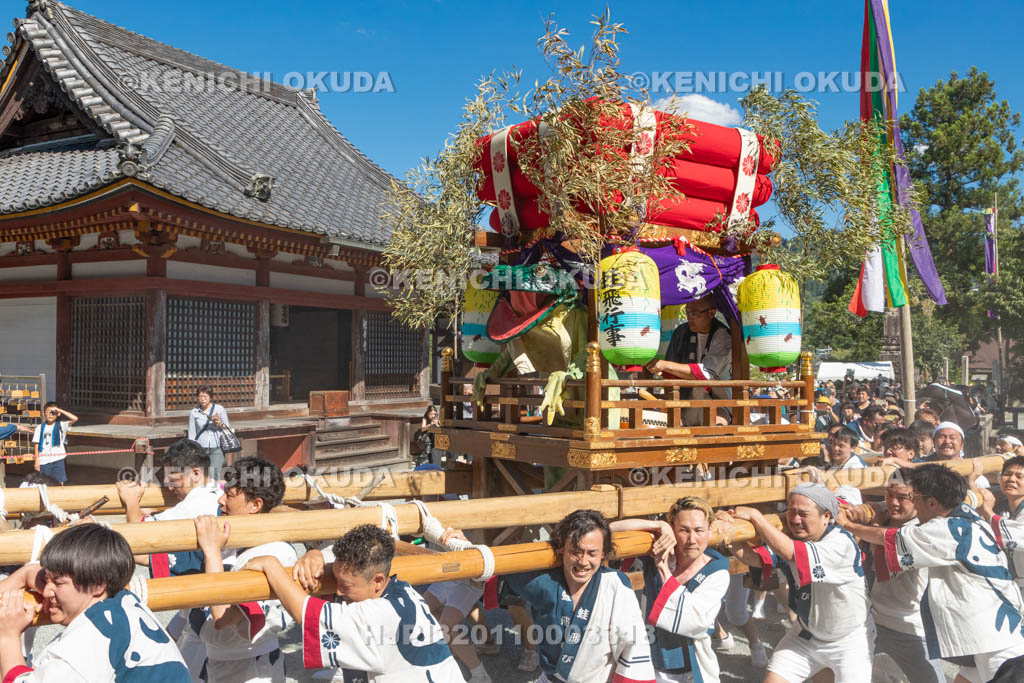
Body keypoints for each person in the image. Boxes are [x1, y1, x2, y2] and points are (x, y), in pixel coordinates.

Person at [840, 465, 1024, 683]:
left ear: (932, 502)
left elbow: (888, 538)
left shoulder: (945, 529)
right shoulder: (968, 516)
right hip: (995, 630)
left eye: (914, 498)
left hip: (996, 642)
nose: (914, 505)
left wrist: (847, 524)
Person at [243, 523, 463, 681]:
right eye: (335, 580)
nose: (338, 591)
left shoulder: (377, 615)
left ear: (377, 580)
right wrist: (314, 555)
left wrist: (272, 566)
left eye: (345, 586)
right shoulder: (402, 590)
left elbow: (308, 614)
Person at [717, 483, 872, 683]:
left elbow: (790, 552)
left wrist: (756, 517)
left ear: (826, 516)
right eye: (791, 511)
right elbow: (753, 558)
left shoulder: (840, 542)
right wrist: (728, 533)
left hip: (849, 639)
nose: (795, 520)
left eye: (803, 514)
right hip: (806, 633)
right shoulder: (791, 539)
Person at [0, 524, 190, 682]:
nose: (47, 591)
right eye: (46, 579)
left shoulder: (90, 637)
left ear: (98, 585)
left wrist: (8, 636)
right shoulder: (125, 601)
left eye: (58, 582)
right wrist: (25, 574)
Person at [499, 509, 656, 682]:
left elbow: (632, 644)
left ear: (603, 553)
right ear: (561, 549)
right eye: (575, 552)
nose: (583, 561)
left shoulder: (615, 585)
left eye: (592, 553)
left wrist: (659, 524)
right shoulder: (543, 583)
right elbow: (494, 565)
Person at [188, 456, 295, 682]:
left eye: (230, 494)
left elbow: (222, 618)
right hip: (217, 659)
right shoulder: (230, 537)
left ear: (255, 505)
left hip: (253, 669)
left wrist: (212, 551)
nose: (221, 500)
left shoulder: (276, 552)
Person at [841, 469, 946, 683]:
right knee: (839, 667)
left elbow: (887, 548)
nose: (893, 503)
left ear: (919, 498)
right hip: (873, 619)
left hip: (911, 626)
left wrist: (871, 525)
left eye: (903, 497)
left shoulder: (924, 529)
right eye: (889, 495)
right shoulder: (882, 515)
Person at [612, 496, 731, 682]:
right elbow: (607, 530)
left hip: (694, 664)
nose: (692, 539)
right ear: (673, 531)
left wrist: (663, 569)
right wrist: (658, 525)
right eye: (683, 530)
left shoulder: (717, 571)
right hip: (651, 661)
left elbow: (694, 620)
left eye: (699, 530)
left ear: (709, 531)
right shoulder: (659, 549)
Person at [647, 295, 731, 426]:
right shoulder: (681, 332)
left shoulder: (723, 336)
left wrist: (663, 365)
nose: (689, 317)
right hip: (685, 403)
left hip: (717, 402)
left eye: (694, 313)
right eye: (687, 312)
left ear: (711, 312)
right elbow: (669, 374)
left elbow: (705, 374)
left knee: (716, 428)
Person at [187, 386, 231, 479]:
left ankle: (216, 492)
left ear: (210, 397)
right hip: (201, 447)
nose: (202, 399)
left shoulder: (219, 409)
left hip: (217, 446)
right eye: (200, 396)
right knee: (202, 475)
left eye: (205, 396)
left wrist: (219, 423)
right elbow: (192, 433)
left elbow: (227, 428)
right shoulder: (194, 412)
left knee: (214, 474)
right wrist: (192, 448)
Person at [30, 402, 78, 484]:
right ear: (44, 413)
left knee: (60, 481)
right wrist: (36, 461)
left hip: (58, 459)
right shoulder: (39, 427)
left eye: (53, 412)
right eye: (48, 412)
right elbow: (36, 444)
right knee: (44, 483)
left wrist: (59, 410)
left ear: (58, 414)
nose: (51, 415)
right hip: (44, 460)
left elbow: (75, 419)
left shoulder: (61, 425)